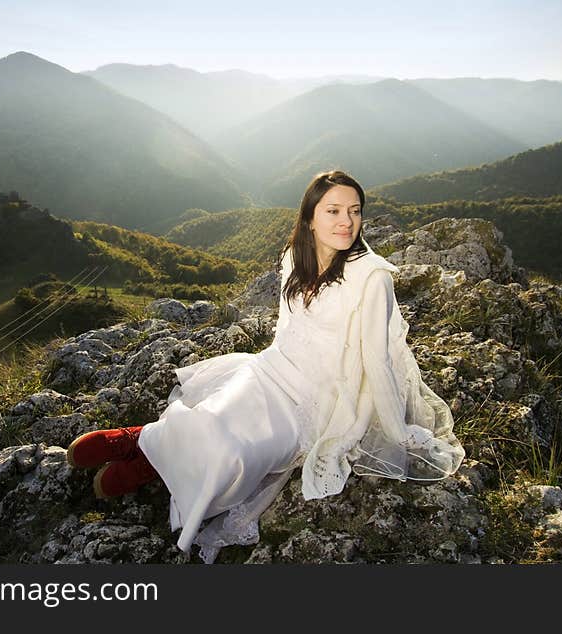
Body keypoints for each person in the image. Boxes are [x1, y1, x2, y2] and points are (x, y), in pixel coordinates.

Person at [66, 170, 465, 563]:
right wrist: (260, 371)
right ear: (310, 217)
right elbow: (287, 324)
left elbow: (377, 362)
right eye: (333, 211)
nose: (346, 221)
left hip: (317, 399)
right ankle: (139, 439)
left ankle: (148, 461)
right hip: (272, 368)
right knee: (213, 413)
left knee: (235, 453)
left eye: (354, 211)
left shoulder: (372, 277)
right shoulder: (296, 255)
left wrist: (400, 432)